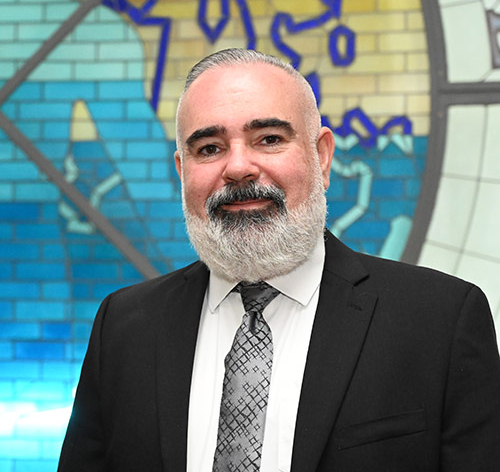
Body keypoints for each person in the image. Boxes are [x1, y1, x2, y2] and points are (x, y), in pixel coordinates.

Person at [58, 48, 500, 472]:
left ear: (321, 157)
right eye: (209, 148)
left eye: (269, 139)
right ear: (181, 170)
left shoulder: (440, 321)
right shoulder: (124, 327)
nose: (238, 168)